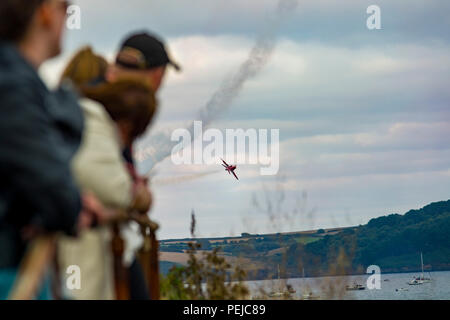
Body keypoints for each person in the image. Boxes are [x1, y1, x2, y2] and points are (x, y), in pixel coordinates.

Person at [0, 0, 104, 299]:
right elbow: (53, 190)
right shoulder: (13, 84)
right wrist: (70, 205)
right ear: (45, 11)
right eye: (65, 7)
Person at [57, 47, 156, 299]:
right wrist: (137, 192)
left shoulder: (60, 116)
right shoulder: (91, 118)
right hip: (85, 253)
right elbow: (115, 189)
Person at [106, 31, 180, 299]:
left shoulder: (103, 98)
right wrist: (137, 192)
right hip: (102, 237)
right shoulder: (110, 106)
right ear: (156, 74)